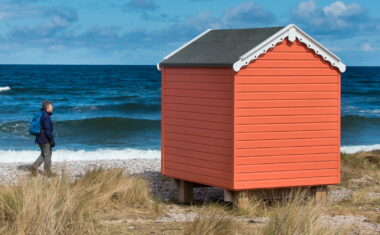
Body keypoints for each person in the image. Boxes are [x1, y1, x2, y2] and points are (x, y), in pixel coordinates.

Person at [29, 101, 56, 176]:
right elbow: (48, 130)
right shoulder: (46, 116)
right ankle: (47, 173)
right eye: (51, 107)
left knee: (43, 154)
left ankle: (33, 167)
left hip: (39, 138)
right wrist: (52, 141)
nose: (52, 108)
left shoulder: (41, 114)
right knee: (47, 156)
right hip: (45, 139)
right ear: (47, 108)